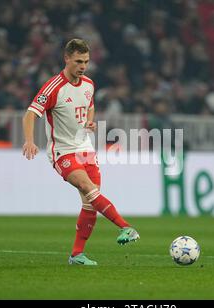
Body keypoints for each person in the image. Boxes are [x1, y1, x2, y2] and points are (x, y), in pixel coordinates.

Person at [22, 39, 139, 265]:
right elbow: (30, 114)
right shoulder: (53, 87)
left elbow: (90, 105)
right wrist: (29, 141)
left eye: (86, 61)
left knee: (89, 203)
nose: (83, 66)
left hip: (85, 149)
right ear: (67, 59)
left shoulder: (88, 84)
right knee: (88, 187)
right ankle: (126, 227)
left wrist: (89, 121)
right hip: (63, 152)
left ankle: (77, 255)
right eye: (78, 61)